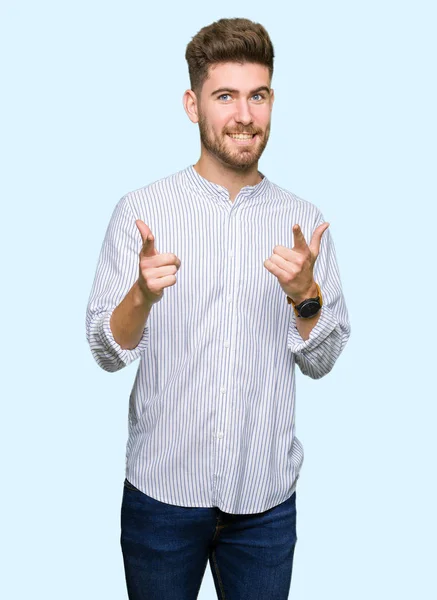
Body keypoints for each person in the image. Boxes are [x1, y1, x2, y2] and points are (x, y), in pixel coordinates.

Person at [86, 16, 351, 600]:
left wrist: (305, 294)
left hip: (265, 504)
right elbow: (106, 352)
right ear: (192, 103)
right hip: (161, 496)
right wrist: (142, 296)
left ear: (272, 101)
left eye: (257, 95)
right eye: (224, 95)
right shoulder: (142, 211)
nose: (244, 114)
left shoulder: (305, 223)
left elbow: (323, 358)